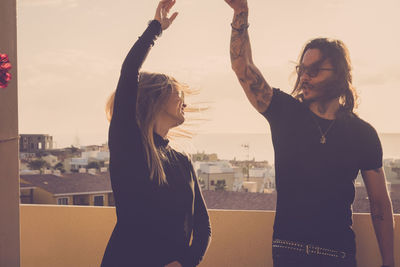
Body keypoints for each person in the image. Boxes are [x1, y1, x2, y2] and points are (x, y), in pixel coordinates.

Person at [224, 1, 395, 266]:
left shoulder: (363, 134)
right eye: (302, 69)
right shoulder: (283, 111)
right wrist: (239, 14)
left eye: (314, 71)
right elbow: (242, 67)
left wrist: (389, 262)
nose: (304, 77)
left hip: (337, 255)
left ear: (339, 74)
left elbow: (380, 206)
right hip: (287, 251)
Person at [101, 1, 211, 266]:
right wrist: (155, 29)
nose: (185, 102)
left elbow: (203, 227)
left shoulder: (183, 162)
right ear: (156, 99)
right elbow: (129, 73)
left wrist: (186, 263)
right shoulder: (130, 147)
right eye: (179, 94)